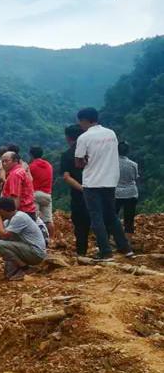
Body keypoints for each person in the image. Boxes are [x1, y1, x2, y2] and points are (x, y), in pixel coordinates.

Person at [74, 107, 134, 261]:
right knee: (111, 216)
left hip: (92, 182)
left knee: (96, 217)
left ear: (84, 120)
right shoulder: (111, 133)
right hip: (110, 180)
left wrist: (86, 160)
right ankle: (126, 248)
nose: (80, 125)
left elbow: (79, 162)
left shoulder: (84, 137)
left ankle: (105, 252)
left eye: (80, 122)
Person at [0, 196, 47, 280]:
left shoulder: (19, 217)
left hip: (36, 253)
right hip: (27, 250)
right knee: (9, 275)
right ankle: (21, 268)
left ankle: (25, 268)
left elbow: (4, 235)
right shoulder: (8, 221)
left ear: (2, 210)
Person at [61, 124, 91, 256]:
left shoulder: (67, 154)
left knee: (80, 225)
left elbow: (67, 177)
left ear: (68, 138)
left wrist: (82, 189)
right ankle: (105, 251)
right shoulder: (91, 151)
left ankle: (81, 253)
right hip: (98, 190)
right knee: (100, 221)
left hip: (79, 196)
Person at [28, 145, 55, 241]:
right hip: (47, 194)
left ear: (31, 155)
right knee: (48, 220)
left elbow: (28, 181)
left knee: (34, 219)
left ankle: (36, 239)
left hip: (35, 194)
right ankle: (51, 239)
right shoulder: (49, 165)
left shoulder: (31, 167)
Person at [1, 151, 37, 218]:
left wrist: (12, 216)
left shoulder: (15, 174)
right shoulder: (21, 171)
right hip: (28, 211)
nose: (4, 164)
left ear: (15, 161)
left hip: (21, 212)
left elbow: (15, 198)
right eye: (2, 161)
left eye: (6, 161)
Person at [115, 141, 139, 238]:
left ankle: (114, 239)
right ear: (128, 151)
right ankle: (127, 243)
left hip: (116, 193)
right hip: (131, 193)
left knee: (112, 217)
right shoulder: (133, 164)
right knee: (129, 219)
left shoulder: (112, 164)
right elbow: (135, 177)